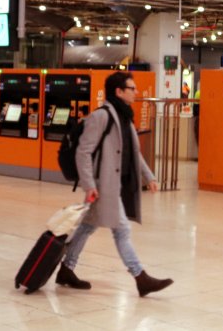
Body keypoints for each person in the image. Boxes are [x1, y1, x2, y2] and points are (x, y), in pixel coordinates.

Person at [56, 71, 173, 297]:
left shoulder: (125, 117)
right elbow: (83, 152)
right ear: (119, 91)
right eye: (132, 89)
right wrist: (90, 185)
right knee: (122, 230)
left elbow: (134, 153)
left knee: (87, 227)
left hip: (113, 185)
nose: (136, 92)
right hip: (102, 186)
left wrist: (150, 176)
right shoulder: (101, 117)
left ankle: (66, 269)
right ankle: (141, 277)